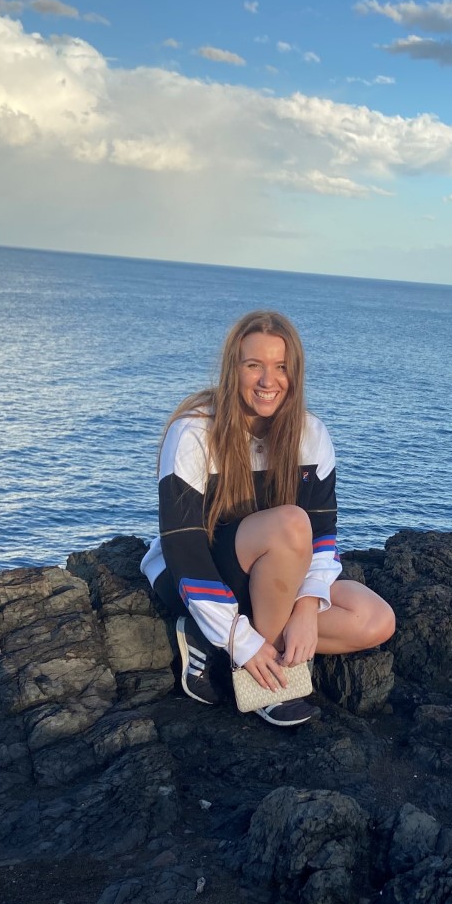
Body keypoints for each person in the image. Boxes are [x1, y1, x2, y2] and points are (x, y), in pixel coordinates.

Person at [140, 309, 396, 726]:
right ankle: (264, 683)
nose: (267, 380)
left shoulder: (311, 435)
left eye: (280, 367)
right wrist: (243, 645)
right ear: (232, 369)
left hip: (272, 582)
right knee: (291, 524)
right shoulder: (193, 431)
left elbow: (324, 540)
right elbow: (184, 549)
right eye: (253, 365)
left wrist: (306, 611)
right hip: (194, 577)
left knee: (376, 620)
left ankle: (209, 639)